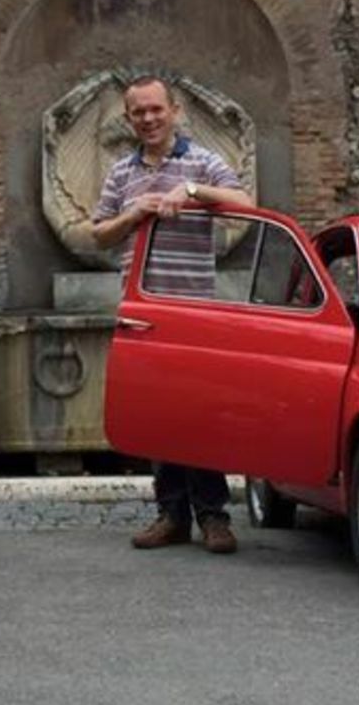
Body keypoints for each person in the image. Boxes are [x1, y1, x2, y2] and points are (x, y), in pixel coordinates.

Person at [92, 75, 254, 554]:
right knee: (158, 415)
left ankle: (214, 517)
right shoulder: (122, 172)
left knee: (199, 414)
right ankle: (171, 515)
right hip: (143, 310)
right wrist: (135, 212)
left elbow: (245, 204)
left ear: (175, 110)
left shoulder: (201, 162)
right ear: (128, 119)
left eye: (155, 110)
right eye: (138, 112)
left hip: (194, 310)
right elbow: (98, 233)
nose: (148, 119)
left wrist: (192, 191)